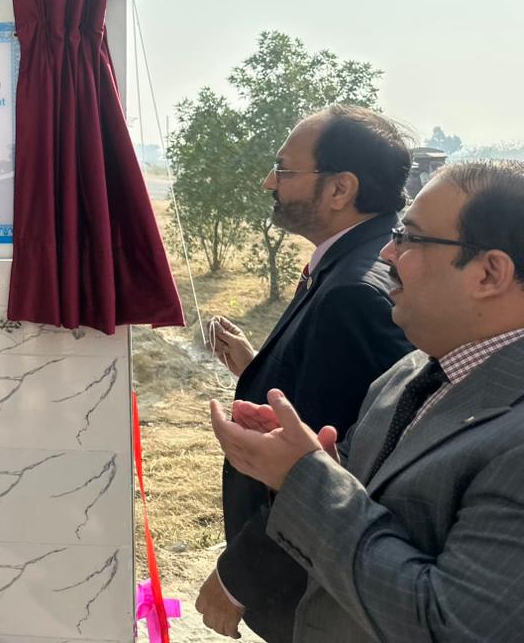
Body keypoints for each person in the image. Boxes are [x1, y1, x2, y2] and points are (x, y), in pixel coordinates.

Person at [212, 160, 524, 642]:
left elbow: (449, 626)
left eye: (411, 238)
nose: (386, 252)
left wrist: (306, 479)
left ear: (489, 273)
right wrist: (316, 461)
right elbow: (370, 495)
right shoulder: (412, 369)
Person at [196, 105, 414, 641]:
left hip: (314, 592)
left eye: (285, 170)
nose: (269, 181)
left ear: (340, 188)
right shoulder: (345, 263)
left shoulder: (354, 294)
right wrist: (259, 368)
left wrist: (239, 576)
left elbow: (341, 463)